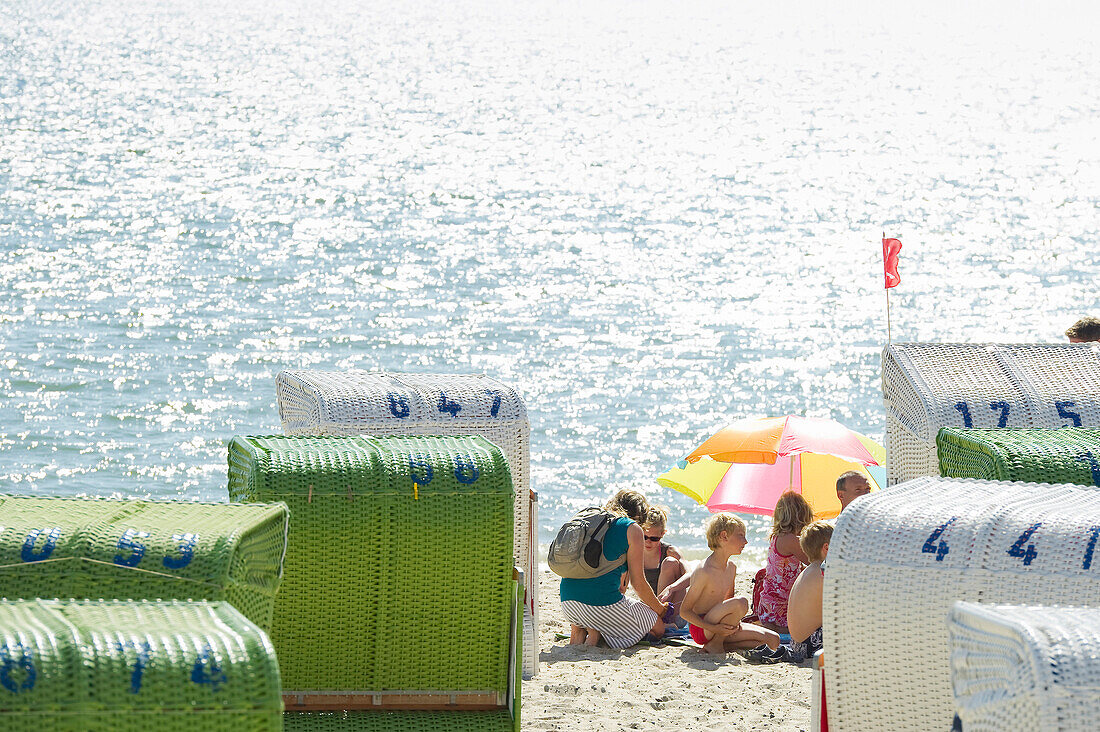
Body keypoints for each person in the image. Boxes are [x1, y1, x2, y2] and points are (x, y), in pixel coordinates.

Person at [559, 489, 670, 649]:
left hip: (568, 603)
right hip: (598, 605)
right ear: (640, 514)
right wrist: (660, 610)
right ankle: (599, 632)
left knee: (595, 611)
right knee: (657, 626)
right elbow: (639, 585)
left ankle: (584, 630)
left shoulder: (595, 521)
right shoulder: (632, 529)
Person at [677, 512, 781, 655]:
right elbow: (684, 611)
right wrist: (713, 628)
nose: (745, 541)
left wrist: (733, 623)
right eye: (741, 535)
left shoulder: (731, 568)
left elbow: (728, 602)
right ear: (724, 536)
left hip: (722, 624)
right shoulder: (704, 571)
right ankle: (716, 642)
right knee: (741, 602)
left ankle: (716, 645)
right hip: (702, 628)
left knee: (773, 641)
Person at [756, 491, 813, 634]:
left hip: (768, 605)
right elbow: (812, 561)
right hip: (780, 607)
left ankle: (774, 628)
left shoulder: (779, 536)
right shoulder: (790, 540)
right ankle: (779, 629)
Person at [785, 521, 833, 663]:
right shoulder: (824, 573)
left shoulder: (808, 570)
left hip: (797, 644)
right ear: (827, 548)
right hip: (811, 646)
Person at [635, 505, 687, 627]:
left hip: (674, 609)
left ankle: (663, 620)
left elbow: (691, 575)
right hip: (653, 607)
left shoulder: (669, 551)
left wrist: (671, 588)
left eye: (654, 538)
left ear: (663, 534)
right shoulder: (635, 552)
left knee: (670, 562)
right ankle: (658, 619)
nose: (648, 542)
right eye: (644, 537)